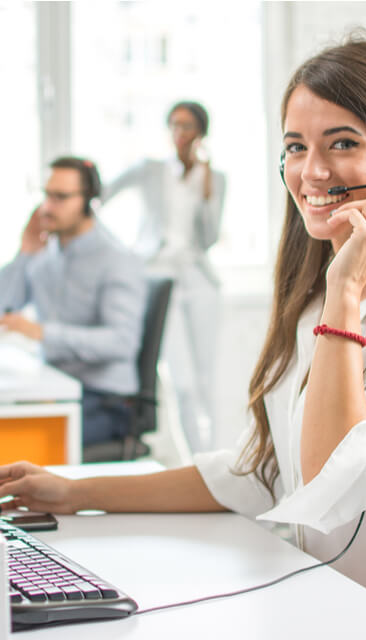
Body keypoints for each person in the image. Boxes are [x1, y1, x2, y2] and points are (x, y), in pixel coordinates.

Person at [0, 38, 366, 639]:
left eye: (342, 143)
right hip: (333, 610)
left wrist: (345, 291)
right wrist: (74, 492)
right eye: (294, 147)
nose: (311, 171)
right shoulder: (316, 298)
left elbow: (338, 487)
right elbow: (259, 471)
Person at [101, 101, 226, 452]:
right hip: (158, 276)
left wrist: (206, 193)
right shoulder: (150, 170)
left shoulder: (214, 179)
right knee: (181, 381)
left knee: (205, 379)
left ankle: (212, 458)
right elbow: (101, 195)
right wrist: (126, 253)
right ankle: (192, 462)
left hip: (198, 279)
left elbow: (210, 237)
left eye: (186, 126)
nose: (178, 134)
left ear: (200, 133)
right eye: (173, 125)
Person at [0, 157, 146, 447]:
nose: (48, 207)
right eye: (46, 195)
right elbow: (5, 306)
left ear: (89, 200)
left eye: (60, 197)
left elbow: (121, 342)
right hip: (55, 388)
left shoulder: (116, 259)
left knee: (13, 445)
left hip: (105, 401)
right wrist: (25, 251)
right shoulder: (45, 253)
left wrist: (42, 333)